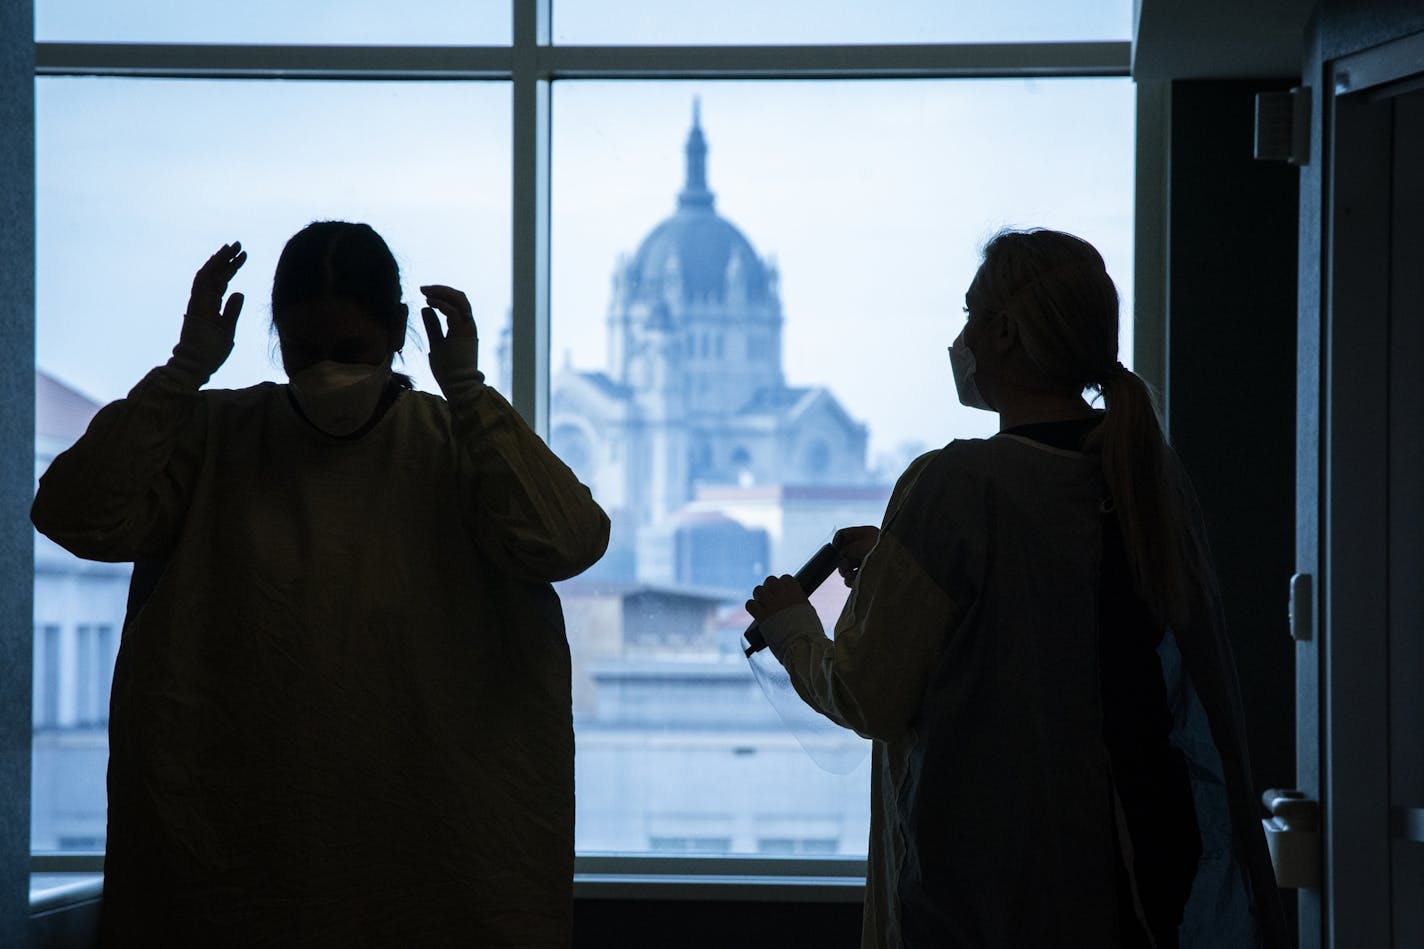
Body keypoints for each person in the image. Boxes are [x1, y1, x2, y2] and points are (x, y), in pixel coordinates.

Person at [31, 222, 610, 947]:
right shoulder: (213, 437)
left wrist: (467, 389)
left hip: (438, 861)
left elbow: (569, 540)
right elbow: (73, 512)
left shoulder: (462, 445)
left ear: (400, 330)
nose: (328, 371)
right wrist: (183, 369)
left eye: (351, 351)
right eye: (304, 351)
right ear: (273, 338)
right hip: (239, 858)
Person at [745, 228, 1288, 949]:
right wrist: (897, 562)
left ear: (1003, 333)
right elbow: (1048, 608)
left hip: (993, 894)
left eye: (971, 317)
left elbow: (865, 692)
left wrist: (792, 625)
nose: (961, 339)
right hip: (1138, 877)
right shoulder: (1137, 472)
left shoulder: (955, 486)